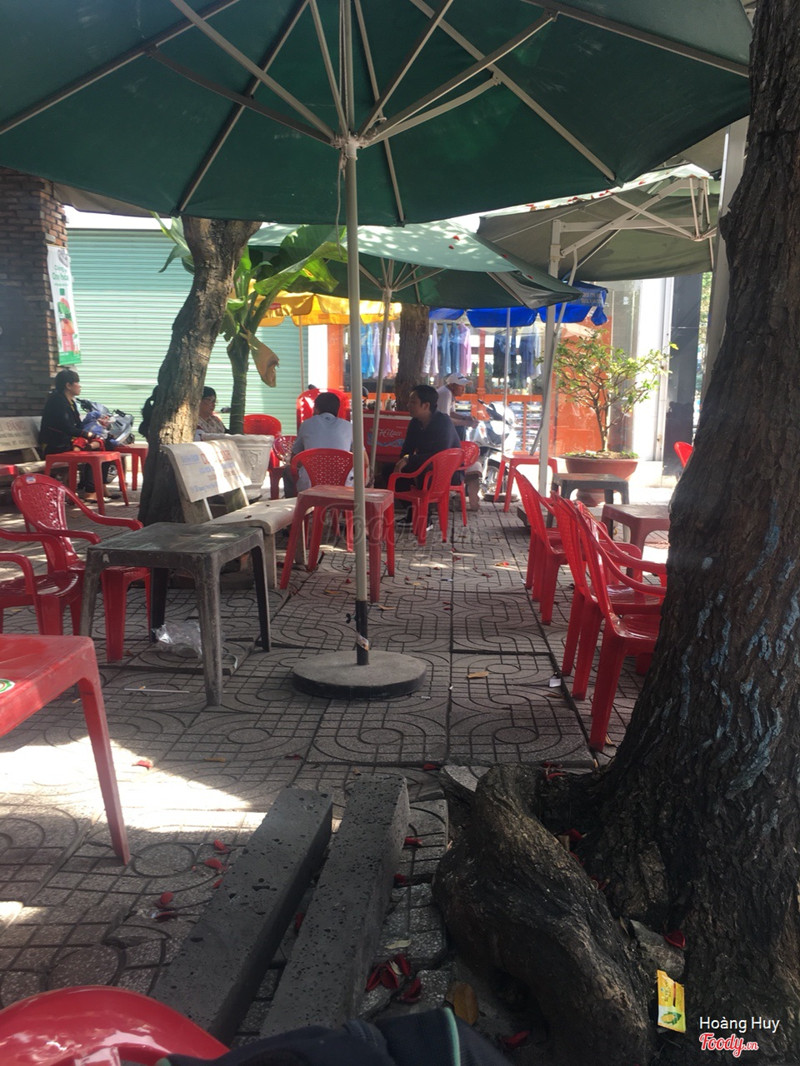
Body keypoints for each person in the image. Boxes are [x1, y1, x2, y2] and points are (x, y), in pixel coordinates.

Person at [38, 368, 119, 502]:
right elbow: (66, 427)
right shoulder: (57, 401)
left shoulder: (70, 401)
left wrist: (97, 425)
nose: (80, 386)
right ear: (68, 385)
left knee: (107, 444)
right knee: (96, 450)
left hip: (67, 441)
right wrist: (88, 434)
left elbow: (78, 425)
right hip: (56, 444)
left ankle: (101, 486)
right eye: (77, 383)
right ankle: (90, 492)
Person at [290, 391, 353, 492]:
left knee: (287, 472)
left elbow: (294, 458)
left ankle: (295, 501)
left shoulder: (306, 424)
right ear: (337, 409)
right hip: (343, 486)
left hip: (310, 486)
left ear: (316, 408)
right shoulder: (349, 426)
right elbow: (365, 462)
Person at [436, 373, 477, 440]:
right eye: (461, 386)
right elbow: (445, 420)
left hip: (439, 427)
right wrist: (468, 423)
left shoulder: (449, 392)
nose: (463, 389)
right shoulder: (446, 393)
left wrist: (465, 418)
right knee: (460, 429)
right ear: (452, 386)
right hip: (436, 430)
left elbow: (451, 413)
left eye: (464, 386)